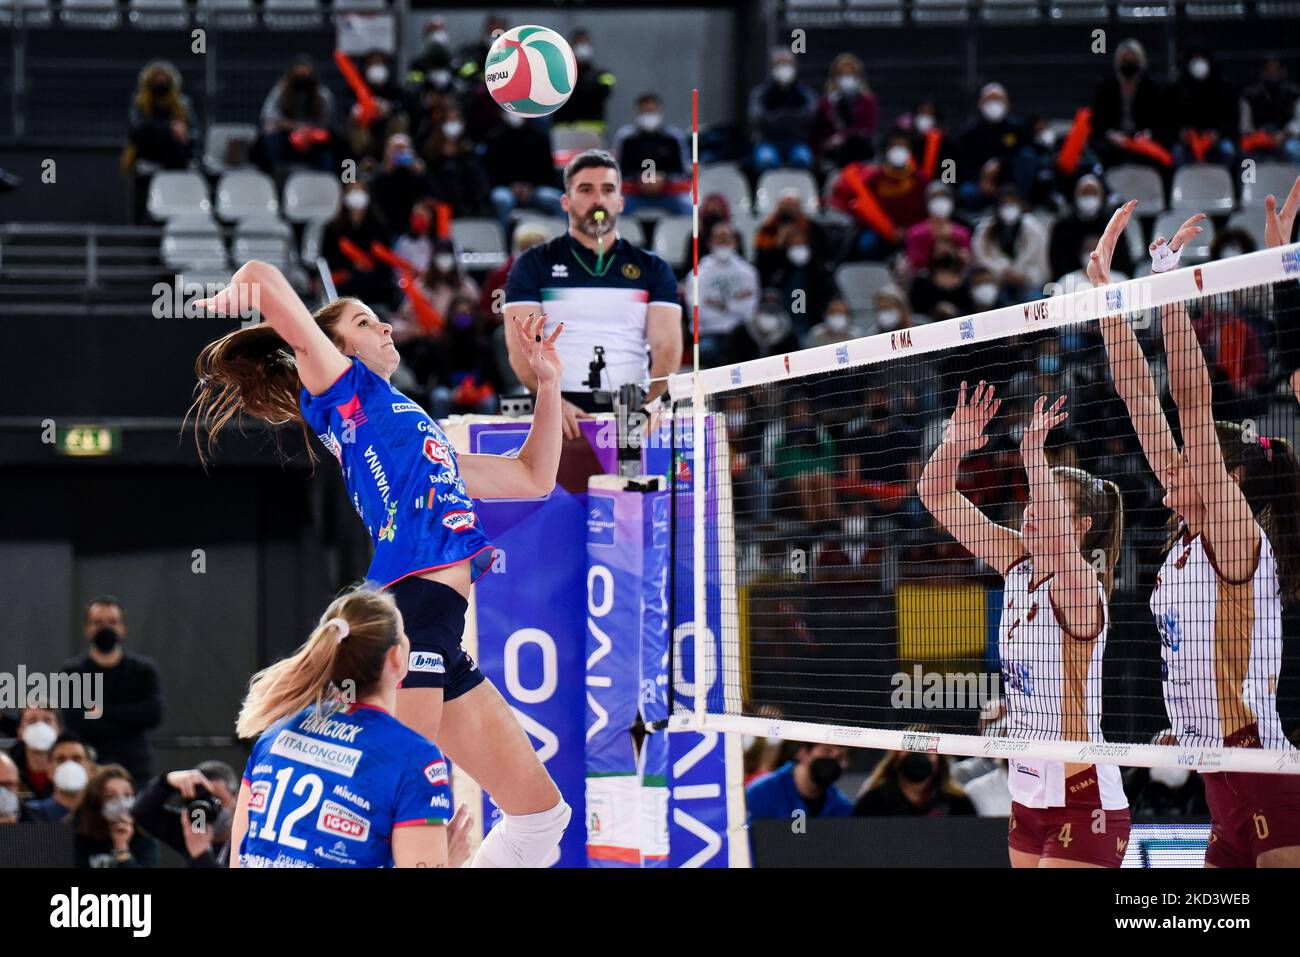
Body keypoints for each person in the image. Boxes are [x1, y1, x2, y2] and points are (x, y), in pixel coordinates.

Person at [191, 260, 570, 868]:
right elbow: (269, 282)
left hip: (439, 629)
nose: (388, 328)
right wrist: (246, 285)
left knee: (540, 818)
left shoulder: (413, 428)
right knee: (400, 828)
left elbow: (533, 478)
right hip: (415, 615)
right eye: (366, 323)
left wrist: (548, 387)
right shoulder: (348, 398)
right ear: (337, 352)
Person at [1089, 200, 1300, 867]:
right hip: (1218, 770)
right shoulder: (1185, 536)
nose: (1172, 465)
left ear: (1226, 483)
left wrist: (1168, 280)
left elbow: (1189, 400)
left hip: (1259, 766)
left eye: (1194, 462)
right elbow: (1137, 395)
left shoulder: (1236, 539)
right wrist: (1108, 306)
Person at [918, 382, 1131, 867]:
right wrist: (957, 441)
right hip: (1027, 789)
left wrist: (1032, 450)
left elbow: (1058, 546)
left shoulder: (1080, 585)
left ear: (1079, 527)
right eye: (1033, 499)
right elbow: (934, 495)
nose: (1032, 509)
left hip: (1083, 797)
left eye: (1050, 502)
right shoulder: (1017, 562)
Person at [230, 587, 472, 868]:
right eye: (404, 632)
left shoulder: (274, 734)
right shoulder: (416, 759)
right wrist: (450, 861)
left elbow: (238, 861)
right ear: (396, 657)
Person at [502, 149, 683, 435]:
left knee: (633, 480)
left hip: (632, 408)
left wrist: (651, 404)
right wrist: (552, 402)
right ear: (566, 201)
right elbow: (520, 347)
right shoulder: (533, 263)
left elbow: (667, 346)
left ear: (620, 202)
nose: (598, 200)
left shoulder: (652, 267)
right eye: (586, 190)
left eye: (607, 190)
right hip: (557, 411)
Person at [60, 597, 163, 787]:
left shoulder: (143, 670)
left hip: (136, 768)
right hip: (90, 767)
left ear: (123, 628)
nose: (105, 628)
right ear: (87, 629)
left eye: (112, 622)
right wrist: (130, 716)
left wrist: (99, 711)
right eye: (97, 622)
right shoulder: (72, 672)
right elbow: (74, 720)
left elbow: (153, 714)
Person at [132, 762, 239, 868]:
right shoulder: (195, 827)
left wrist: (201, 855)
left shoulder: (248, 835)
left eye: (217, 800)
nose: (211, 808)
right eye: (204, 800)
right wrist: (166, 782)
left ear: (236, 797)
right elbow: (141, 813)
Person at [686, 220, 759, 368]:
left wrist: (720, 304)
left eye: (727, 238)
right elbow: (697, 311)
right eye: (719, 238)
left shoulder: (748, 271)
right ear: (711, 243)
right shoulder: (698, 274)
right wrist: (736, 302)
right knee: (707, 351)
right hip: (709, 332)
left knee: (751, 348)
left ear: (735, 242)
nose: (723, 242)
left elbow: (751, 309)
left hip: (739, 333)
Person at [481, 110, 565, 233]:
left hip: (534, 189)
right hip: (505, 188)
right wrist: (511, 187)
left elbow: (547, 171)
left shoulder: (539, 136)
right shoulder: (494, 138)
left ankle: (565, 242)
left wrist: (530, 187)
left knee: (556, 199)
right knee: (501, 199)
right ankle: (504, 246)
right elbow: (490, 173)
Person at [612, 93, 692, 216]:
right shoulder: (625, 138)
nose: (648, 115)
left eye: (652, 110)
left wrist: (664, 178)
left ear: (660, 111)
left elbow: (683, 171)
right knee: (612, 209)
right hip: (633, 194)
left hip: (668, 193)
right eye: (645, 111)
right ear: (637, 112)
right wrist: (638, 179)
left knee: (689, 209)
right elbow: (617, 171)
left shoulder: (674, 137)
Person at [258, 55, 337, 180]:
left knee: (337, 145)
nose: (303, 72)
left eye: (306, 69)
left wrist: (308, 133)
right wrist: (296, 128)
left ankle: (338, 181)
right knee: (270, 139)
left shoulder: (323, 94)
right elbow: (269, 117)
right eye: (299, 68)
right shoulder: (280, 91)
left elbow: (325, 124)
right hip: (287, 138)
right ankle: (277, 178)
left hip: (313, 140)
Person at [73, 765, 156, 868]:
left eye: (127, 795)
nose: (122, 803)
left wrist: (122, 848)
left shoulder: (144, 836)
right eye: (110, 797)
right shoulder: (76, 836)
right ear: (95, 803)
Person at [745, 742, 852, 820]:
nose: (833, 760)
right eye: (827, 750)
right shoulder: (760, 794)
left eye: (840, 757)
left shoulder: (842, 808)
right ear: (803, 753)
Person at [749, 49, 816, 172]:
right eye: (780, 64)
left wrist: (776, 118)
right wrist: (792, 118)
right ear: (772, 68)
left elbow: (810, 114)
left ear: (795, 67)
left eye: (787, 64)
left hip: (796, 142)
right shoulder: (761, 93)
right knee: (767, 160)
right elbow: (757, 117)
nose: (784, 68)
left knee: (803, 159)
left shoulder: (803, 93)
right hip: (768, 141)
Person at [854, 749, 976, 816]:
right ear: (895, 759)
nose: (919, 756)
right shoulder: (873, 801)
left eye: (927, 752)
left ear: (939, 762)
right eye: (911, 750)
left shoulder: (958, 802)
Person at [810, 53, 877, 168]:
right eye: (842, 74)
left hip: (860, 150)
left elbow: (869, 129)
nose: (846, 78)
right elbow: (818, 130)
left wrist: (844, 137)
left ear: (858, 77)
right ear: (835, 77)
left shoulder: (867, 100)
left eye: (850, 74)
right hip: (834, 153)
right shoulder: (826, 102)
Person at [550, 29, 616, 135]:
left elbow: (604, 92)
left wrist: (575, 89)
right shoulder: (559, 73)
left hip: (593, 130)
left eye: (585, 42)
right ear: (571, 46)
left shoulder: (602, 74)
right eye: (578, 43)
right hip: (563, 129)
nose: (582, 46)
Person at [22, 733, 94, 823]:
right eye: (61, 759)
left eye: (77, 759)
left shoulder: (102, 815)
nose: (69, 765)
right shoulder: (28, 814)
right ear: (49, 769)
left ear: (91, 769)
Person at [9, 704, 60, 801]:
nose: (40, 726)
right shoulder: (5, 772)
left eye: (47, 720)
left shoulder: (77, 770)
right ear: (20, 731)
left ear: (58, 730)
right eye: (32, 720)